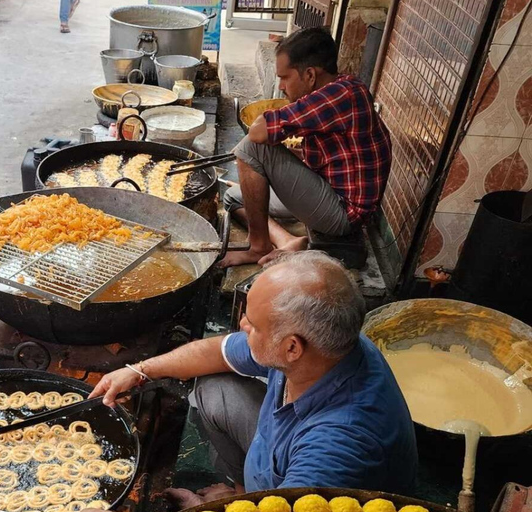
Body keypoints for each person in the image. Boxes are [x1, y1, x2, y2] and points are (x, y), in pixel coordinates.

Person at [90, 251, 417, 505]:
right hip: (283, 448)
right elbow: (218, 352)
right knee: (214, 387)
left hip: (309, 484)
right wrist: (138, 371)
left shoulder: (335, 451)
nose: (242, 325)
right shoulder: (326, 345)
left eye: (253, 324)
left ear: (292, 348)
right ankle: (243, 488)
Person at [220, 27, 392, 268]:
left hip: (342, 213)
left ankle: (258, 247)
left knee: (250, 149)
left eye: (285, 77)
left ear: (310, 75)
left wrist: (270, 149)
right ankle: (288, 240)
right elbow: (322, 156)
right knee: (233, 197)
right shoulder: (345, 87)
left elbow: (257, 133)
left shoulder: (339, 96)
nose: (281, 86)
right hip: (327, 192)